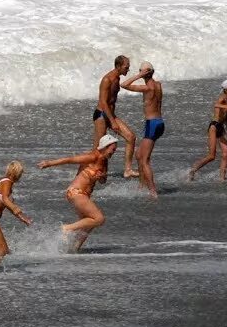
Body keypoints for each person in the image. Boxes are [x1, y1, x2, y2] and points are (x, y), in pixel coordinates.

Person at [38, 134, 119, 252]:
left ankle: (73, 249)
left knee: (89, 224)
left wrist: (100, 176)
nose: (114, 152)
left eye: (115, 150)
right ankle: (66, 228)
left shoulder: (105, 162)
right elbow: (70, 160)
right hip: (76, 192)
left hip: (84, 195)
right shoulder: (92, 157)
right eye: (113, 149)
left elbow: (103, 181)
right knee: (99, 219)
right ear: (105, 147)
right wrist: (49, 163)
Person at [121, 61, 164, 197]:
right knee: (139, 155)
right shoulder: (158, 85)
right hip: (158, 122)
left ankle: (152, 191)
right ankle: (142, 185)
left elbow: (124, 85)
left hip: (152, 124)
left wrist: (139, 75)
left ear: (145, 72)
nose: (140, 72)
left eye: (141, 70)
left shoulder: (148, 88)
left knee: (144, 159)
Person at [95, 55, 139, 178]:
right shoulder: (107, 79)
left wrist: (112, 118)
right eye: (126, 67)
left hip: (110, 115)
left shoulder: (117, 78)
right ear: (119, 66)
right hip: (102, 115)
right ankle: (87, 172)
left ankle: (128, 170)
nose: (128, 69)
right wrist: (112, 121)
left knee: (131, 137)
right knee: (98, 149)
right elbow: (103, 102)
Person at [189, 79, 227, 182]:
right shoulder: (222, 98)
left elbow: (224, 114)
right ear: (226, 90)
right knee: (212, 156)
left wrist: (226, 124)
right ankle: (193, 169)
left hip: (221, 127)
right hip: (214, 127)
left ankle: (222, 178)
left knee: (226, 154)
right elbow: (216, 105)